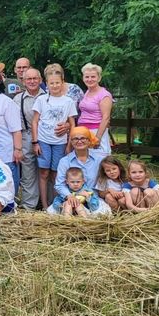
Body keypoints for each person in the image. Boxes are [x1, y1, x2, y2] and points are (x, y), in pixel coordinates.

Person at [31, 69, 77, 209]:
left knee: (56, 174)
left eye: (58, 83)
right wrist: (35, 142)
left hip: (60, 142)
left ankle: (57, 204)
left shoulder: (68, 101)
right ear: (46, 84)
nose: (55, 85)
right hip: (44, 141)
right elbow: (35, 122)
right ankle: (45, 205)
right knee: (44, 172)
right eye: (52, 83)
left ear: (62, 83)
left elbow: (72, 123)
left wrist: (69, 144)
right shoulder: (41, 99)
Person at [52, 127, 108, 215]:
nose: (79, 141)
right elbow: (59, 185)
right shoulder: (64, 161)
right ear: (71, 142)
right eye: (75, 139)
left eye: (83, 138)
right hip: (70, 198)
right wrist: (69, 196)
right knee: (53, 213)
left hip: (92, 199)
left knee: (102, 215)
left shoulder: (99, 159)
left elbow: (106, 179)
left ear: (89, 140)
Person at [13, 68, 46, 210]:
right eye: (29, 79)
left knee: (47, 171)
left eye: (35, 78)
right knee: (28, 172)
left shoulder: (49, 96)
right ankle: (29, 205)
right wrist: (18, 146)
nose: (32, 81)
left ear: (40, 80)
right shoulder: (17, 99)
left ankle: (49, 203)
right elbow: (16, 124)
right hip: (26, 136)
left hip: (46, 136)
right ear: (24, 81)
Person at [78, 63, 113, 155]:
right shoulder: (87, 93)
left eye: (93, 76)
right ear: (83, 78)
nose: (89, 79)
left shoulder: (104, 95)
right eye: (87, 77)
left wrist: (98, 137)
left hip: (96, 130)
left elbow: (106, 117)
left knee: (98, 158)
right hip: (83, 131)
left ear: (99, 78)